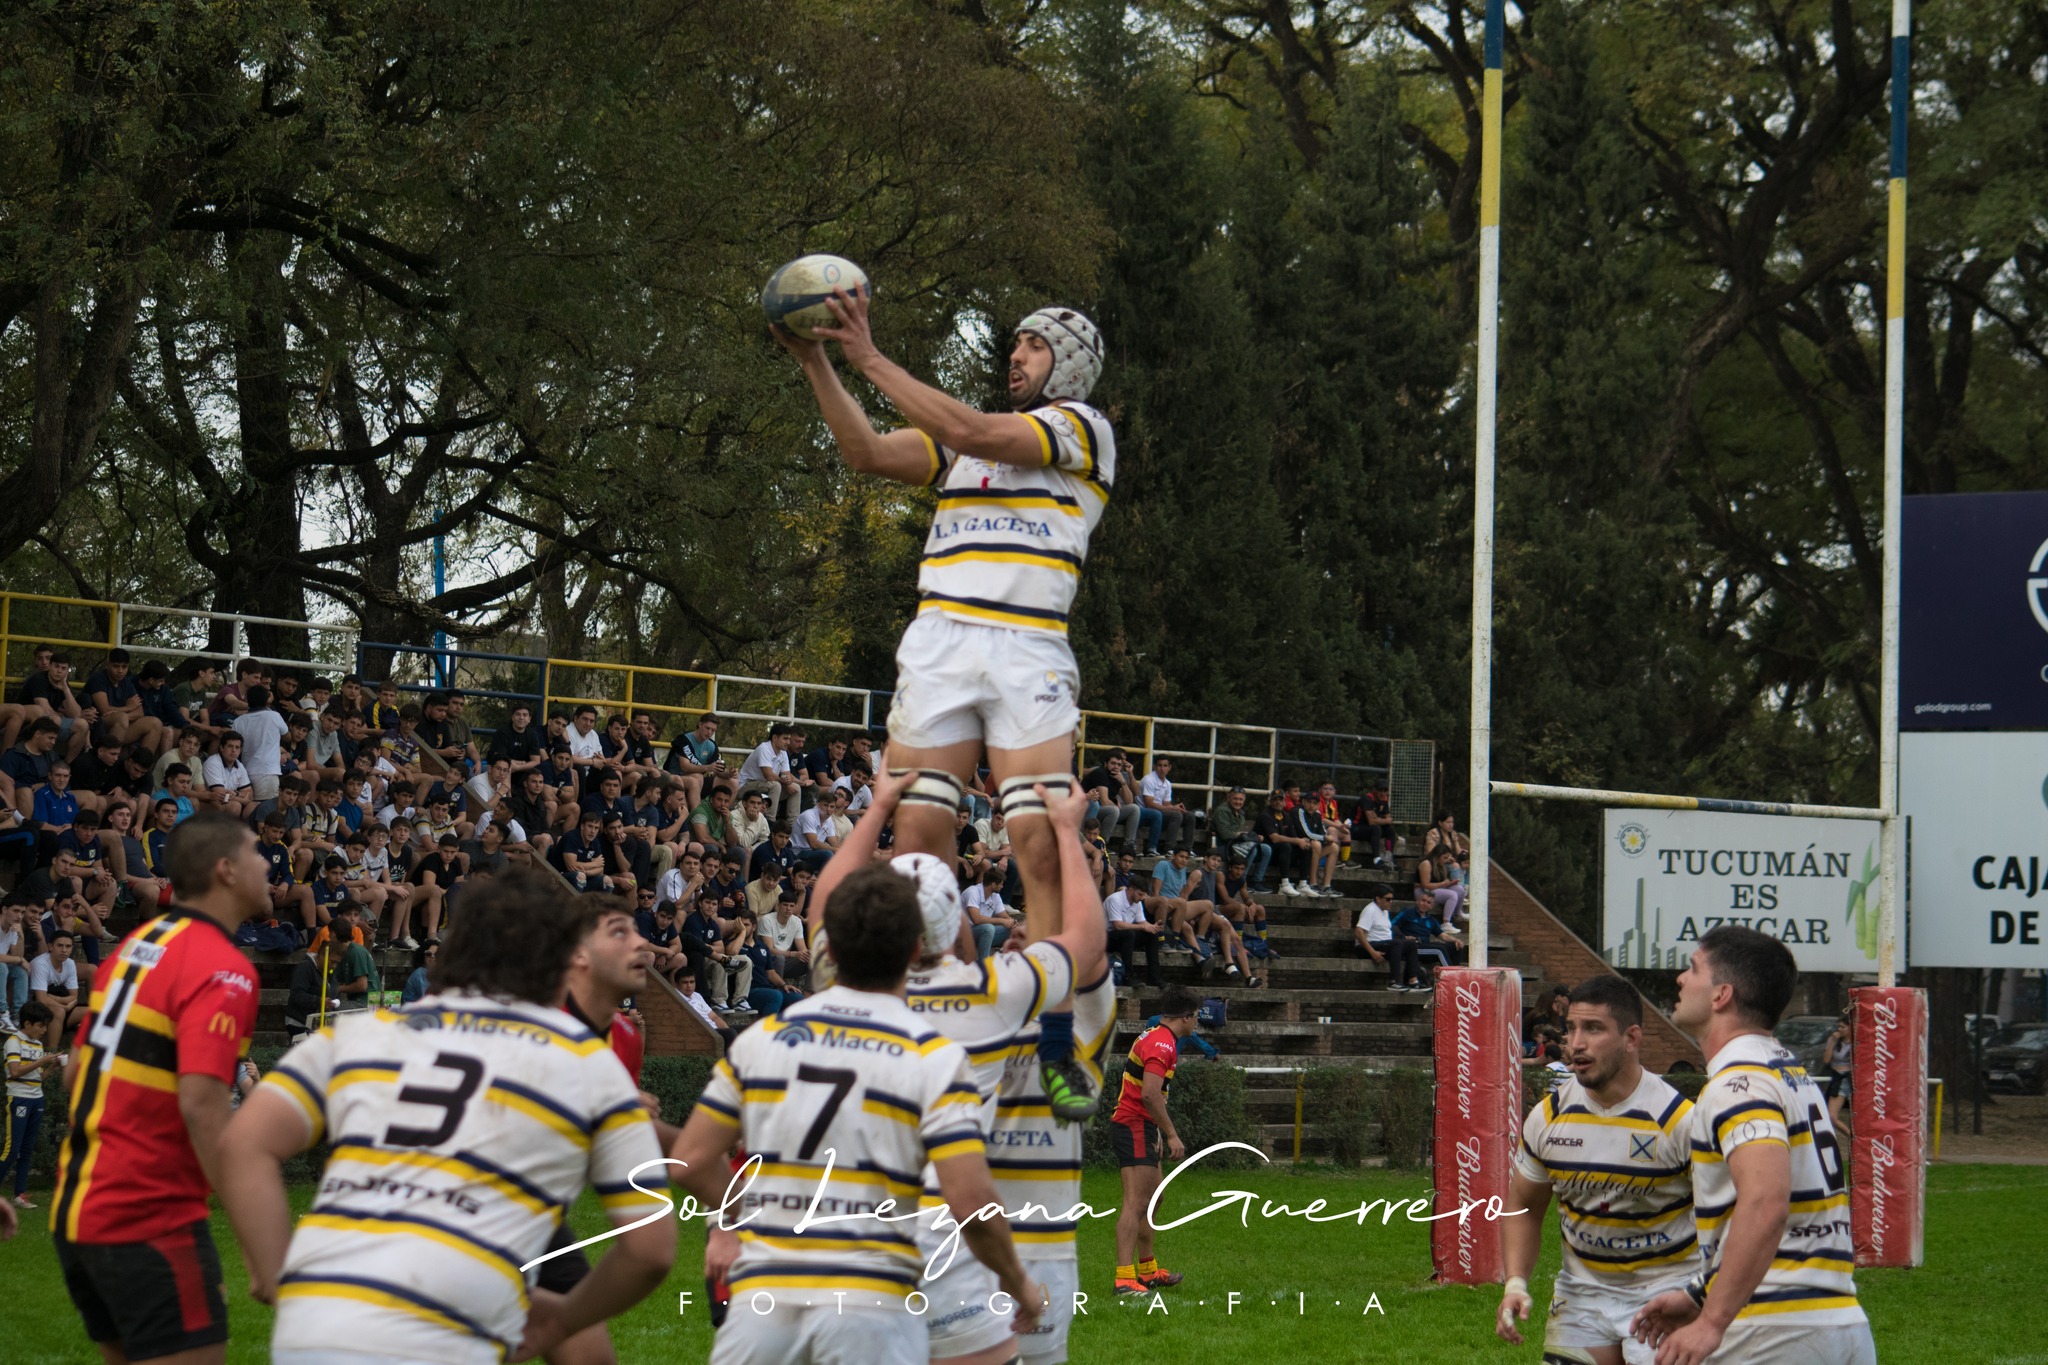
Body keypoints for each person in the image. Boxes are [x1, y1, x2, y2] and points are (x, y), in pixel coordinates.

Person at [778, 289, 1113, 1119]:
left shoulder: (1080, 429)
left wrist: (867, 355)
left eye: (1033, 346)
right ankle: (923, 1015)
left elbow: (974, 429)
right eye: (1016, 345)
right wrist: (815, 359)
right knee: (920, 845)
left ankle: (1051, 1034)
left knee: (1034, 838)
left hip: (1026, 644)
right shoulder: (962, 448)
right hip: (939, 643)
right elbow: (863, 451)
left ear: (1068, 363)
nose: (1017, 356)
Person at [216, 873, 675, 1365]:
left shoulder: (361, 1034)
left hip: (316, 1326)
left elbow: (243, 1144)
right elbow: (649, 1250)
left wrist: (270, 1268)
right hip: (446, 1330)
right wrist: (562, 1320)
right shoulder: (580, 1058)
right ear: (562, 961)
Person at [666, 859, 1043, 1365]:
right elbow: (970, 1200)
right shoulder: (932, 1057)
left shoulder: (764, 1038)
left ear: (829, 948)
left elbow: (689, 1158)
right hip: (870, 1308)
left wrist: (738, 1218)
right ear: (915, 950)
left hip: (762, 1308)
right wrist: (1018, 1283)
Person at [803, 769, 1100, 1365]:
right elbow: (1084, 939)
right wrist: (1067, 832)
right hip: (942, 1241)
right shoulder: (992, 994)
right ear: (949, 929)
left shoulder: (832, 987)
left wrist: (880, 802)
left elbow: (824, 899)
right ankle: (1056, 1049)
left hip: (842, 1242)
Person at [49, 813, 265, 1365]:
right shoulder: (226, 968)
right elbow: (203, 1105)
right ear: (226, 871)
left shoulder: (134, 945)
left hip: (79, 1212)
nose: (268, 864)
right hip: (150, 1218)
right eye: (257, 853)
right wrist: (254, 1243)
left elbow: (76, 1074)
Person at [1629, 926, 1872, 1365]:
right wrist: (1700, 1296)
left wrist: (1712, 1322)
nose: (1681, 980)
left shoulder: (1738, 1083)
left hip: (1773, 1331)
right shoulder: (1787, 1073)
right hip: (1839, 1321)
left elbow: (1766, 1201)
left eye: (1692, 968)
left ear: (1722, 994)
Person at [1499, 975, 1701, 1365]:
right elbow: (1523, 1207)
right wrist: (1516, 1283)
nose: (1576, 1043)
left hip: (1667, 1295)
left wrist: (1700, 1297)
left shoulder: (1680, 1121)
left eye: (1593, 1028)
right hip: (1582, 1295)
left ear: (1632, 1038)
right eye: (1571, 1028)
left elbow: (1730, 1221)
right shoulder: (1548, 1117)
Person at [541, 896, 680, 1365]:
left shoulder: (624, 1036)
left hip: (534, 1217)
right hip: (471, 1209)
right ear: (576, 955)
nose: (643, 943)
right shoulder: (534, 1025)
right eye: (620, 931)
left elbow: (627, 1131)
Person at [990, 918, 1120, 1365]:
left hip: (1042, 1249)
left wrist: (1052, 941)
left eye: (1034, 931)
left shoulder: (1081, 1035)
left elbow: (1094, 954)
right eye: (1012, 930)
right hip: (964, 1245)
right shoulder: (974, 1029)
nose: (1015, 933)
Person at [1110, 988, 1200, 1296]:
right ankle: (1124, 1279)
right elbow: (1149, 1093)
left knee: (1152, 1201)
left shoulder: (1156, 1036)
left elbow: (1147, 1094)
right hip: (1133, 1124)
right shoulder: (1162, 1044)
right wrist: (1172, 1133)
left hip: (1141, 1125)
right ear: (1186, 1017)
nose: (1197, 1023)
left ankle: (1147, 1272)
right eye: (1196, 1017)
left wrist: (1157, 1130)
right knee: (1136, 1204)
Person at [5, 1000, 62, 1208]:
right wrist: (42, 1061)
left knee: (27, 1149)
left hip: (36, 1098)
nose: (44, 1030)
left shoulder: (37, 1045)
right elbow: (15, 1072)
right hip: (18, 1098)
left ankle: (19, 1195)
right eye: (41, 1025)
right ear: (27, 1024)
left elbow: (38, 1077)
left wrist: (52, 1067)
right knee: (12, 1149)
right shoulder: (13, 1042)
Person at [1354, 886, 1425, 990]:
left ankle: (1413, 981)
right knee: (1396, 944)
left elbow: (1385, 932)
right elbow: (1358, 932)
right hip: (1367, 947)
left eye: (1392, 899)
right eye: (1388, 899)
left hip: (1384, 945)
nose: (1390, 902)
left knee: (1411, 944)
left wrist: (1404, 938)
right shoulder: (1370, 910)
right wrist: (1372, 952)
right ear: (1378, 899)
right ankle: (1394, 982)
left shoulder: (1385, 911)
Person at [400, 937, 438, 1003]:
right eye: (428, 954)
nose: (433, 957)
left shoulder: (435, 972)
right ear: (422, 956)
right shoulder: (420, 973)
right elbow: (428, 999)